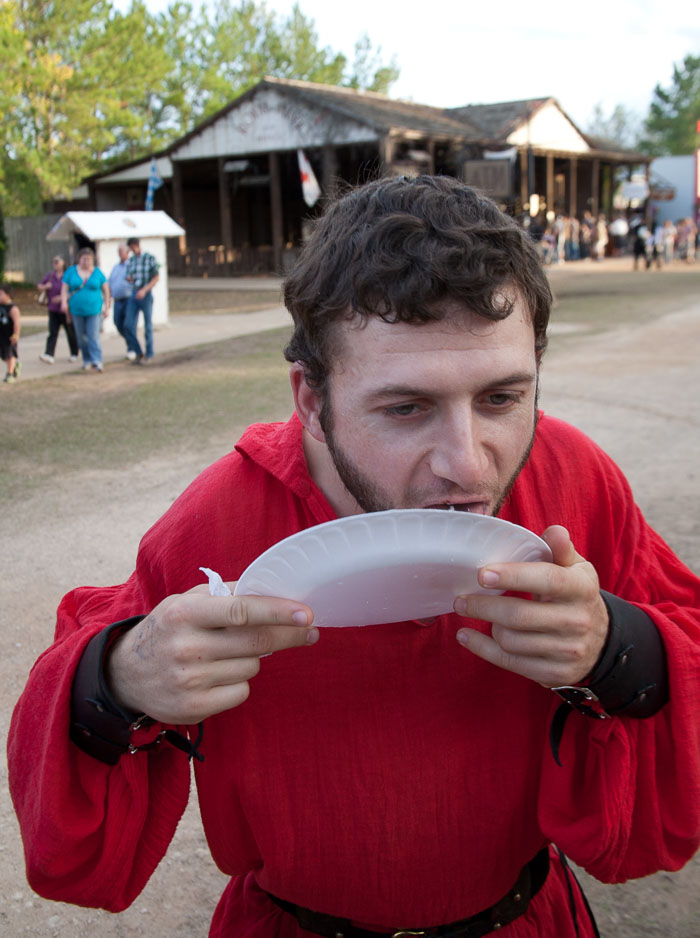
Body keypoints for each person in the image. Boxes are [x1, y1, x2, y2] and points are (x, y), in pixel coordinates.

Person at [8, 176, 700, 938]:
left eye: (502, 398)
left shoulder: (577, 479)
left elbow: (683, 640)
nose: (469, 466)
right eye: (406, 408)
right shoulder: (218, 521)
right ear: (310, 398)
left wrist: (620, 649)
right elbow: (64, 817)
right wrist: (118, 678)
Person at [60, 246, 110, 372]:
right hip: (77, 310)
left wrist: (107, 305)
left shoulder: (97, 272)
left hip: (94, 309)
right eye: (84, 259)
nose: (86, 262)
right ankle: (86, 359)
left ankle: (96, 360)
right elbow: (64, 289)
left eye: (89, 259)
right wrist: (64, 302)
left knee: (93, 335)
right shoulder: (71, 272)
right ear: (79, 259)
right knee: (81, 337)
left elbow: (106, 290)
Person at [123, 237, 160, 363]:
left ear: (137, 245)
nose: (132, 250)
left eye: (132, 247)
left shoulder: (149, 258)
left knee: (147, 326)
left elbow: (156, 277)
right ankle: (138, 352)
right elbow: (128, 277)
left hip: (146, 293)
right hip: (134, 293)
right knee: (128, 325)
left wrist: (144, 290)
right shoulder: (131, 260)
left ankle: (149, 354)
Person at [37, 255, 79, 364]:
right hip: (53, 309)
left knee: (70, 332)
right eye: (53, 261)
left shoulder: (68, 275)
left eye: (57, 261)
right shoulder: (50, 276)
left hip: (66, 309)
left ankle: (74, 353)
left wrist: (62, 298)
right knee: (52, 332)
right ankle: (49, 354)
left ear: (63, 263)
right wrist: (46, 287)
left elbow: (75, 290)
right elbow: (39, 286)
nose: (55, 263)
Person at [108, 243, 133, 356]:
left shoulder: (132, 265)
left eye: (121, 251)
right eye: (118, 251)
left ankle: (132, 348)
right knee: (118, 323)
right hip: (117, 300)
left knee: (128, 324)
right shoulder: (116, 267)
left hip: (128, 299)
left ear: (128, 252)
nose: (119, 253)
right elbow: (110, 282)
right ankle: (131, 341)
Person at [0, 283, 21, 382]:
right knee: (4, 356)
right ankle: (14, 366)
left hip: (10, 336)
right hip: (1, 335)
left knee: (10, 354)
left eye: (0, 294)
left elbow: (17, 323)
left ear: (8, 295)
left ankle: (10, 373)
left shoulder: (13, 308)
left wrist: (16, 334)